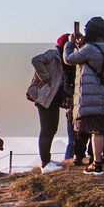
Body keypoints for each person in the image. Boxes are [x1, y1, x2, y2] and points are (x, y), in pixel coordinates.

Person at [64, 17, 104, 174]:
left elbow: (69, 60)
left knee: (97, 132)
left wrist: (70, 44)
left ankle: (97, 164)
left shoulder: (89, 49)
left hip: (94, 97)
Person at [27, 34, 72, 170]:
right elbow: (36, 60)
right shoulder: (53, 54)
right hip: (45, 97)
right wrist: (46, 78)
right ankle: (45, 164)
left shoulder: (63, 58)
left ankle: (47, 161)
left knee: (52, 129)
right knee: (47, 129)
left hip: (53, 99)